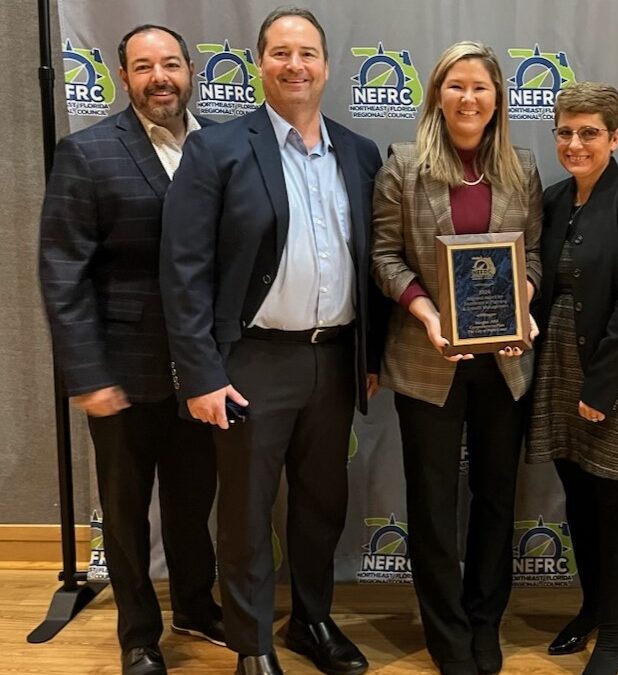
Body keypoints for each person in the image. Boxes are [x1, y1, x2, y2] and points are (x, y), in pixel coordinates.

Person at [159, 7, 384, 675]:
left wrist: (368, 356)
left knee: (321, 504)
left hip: (335, 358)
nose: (295, 65)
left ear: (326, 64)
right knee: (248, 511)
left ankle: (311, 620)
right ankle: (253, 644)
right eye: (281, 53)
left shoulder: (360, 151)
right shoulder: (218, 149)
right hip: (251, 360)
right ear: (259, 63)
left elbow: (372, 262)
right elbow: (183, 268)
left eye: (307, 53)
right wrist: (198, 372)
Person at [38, 24, 222, 675]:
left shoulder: (222, 146)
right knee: (123, 511)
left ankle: (197, 605)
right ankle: (138, 634)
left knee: (193, 502)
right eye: (144, 67)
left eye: (170, 63)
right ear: (123, 76)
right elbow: (62, 272)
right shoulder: (87, 153)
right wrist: (86, 372)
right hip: (122, 370)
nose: (159, 77)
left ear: (191, 69)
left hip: (203, 371)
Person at [371, 41, 542, 675]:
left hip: (503, 360)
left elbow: (535, 258)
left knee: (497, 500)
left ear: (499, 99)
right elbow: (385, 259)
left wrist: (522, 303)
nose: (469, 99)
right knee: (434, 504)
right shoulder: (404, 166)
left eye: (481, 87)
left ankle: (484, 622)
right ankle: (447, 636)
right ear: (437, 95)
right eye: (456, 86)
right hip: (427, 358)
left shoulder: (521, 167)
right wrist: (428, 314)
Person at [526, 82, 618, 675]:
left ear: (614, 138)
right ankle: (590, 610)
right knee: (581, 499)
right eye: (565, 131)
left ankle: (615, 634)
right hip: (558, 365)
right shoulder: (554, 198)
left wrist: (600, 388)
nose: (575, 142)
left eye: (589, 132)